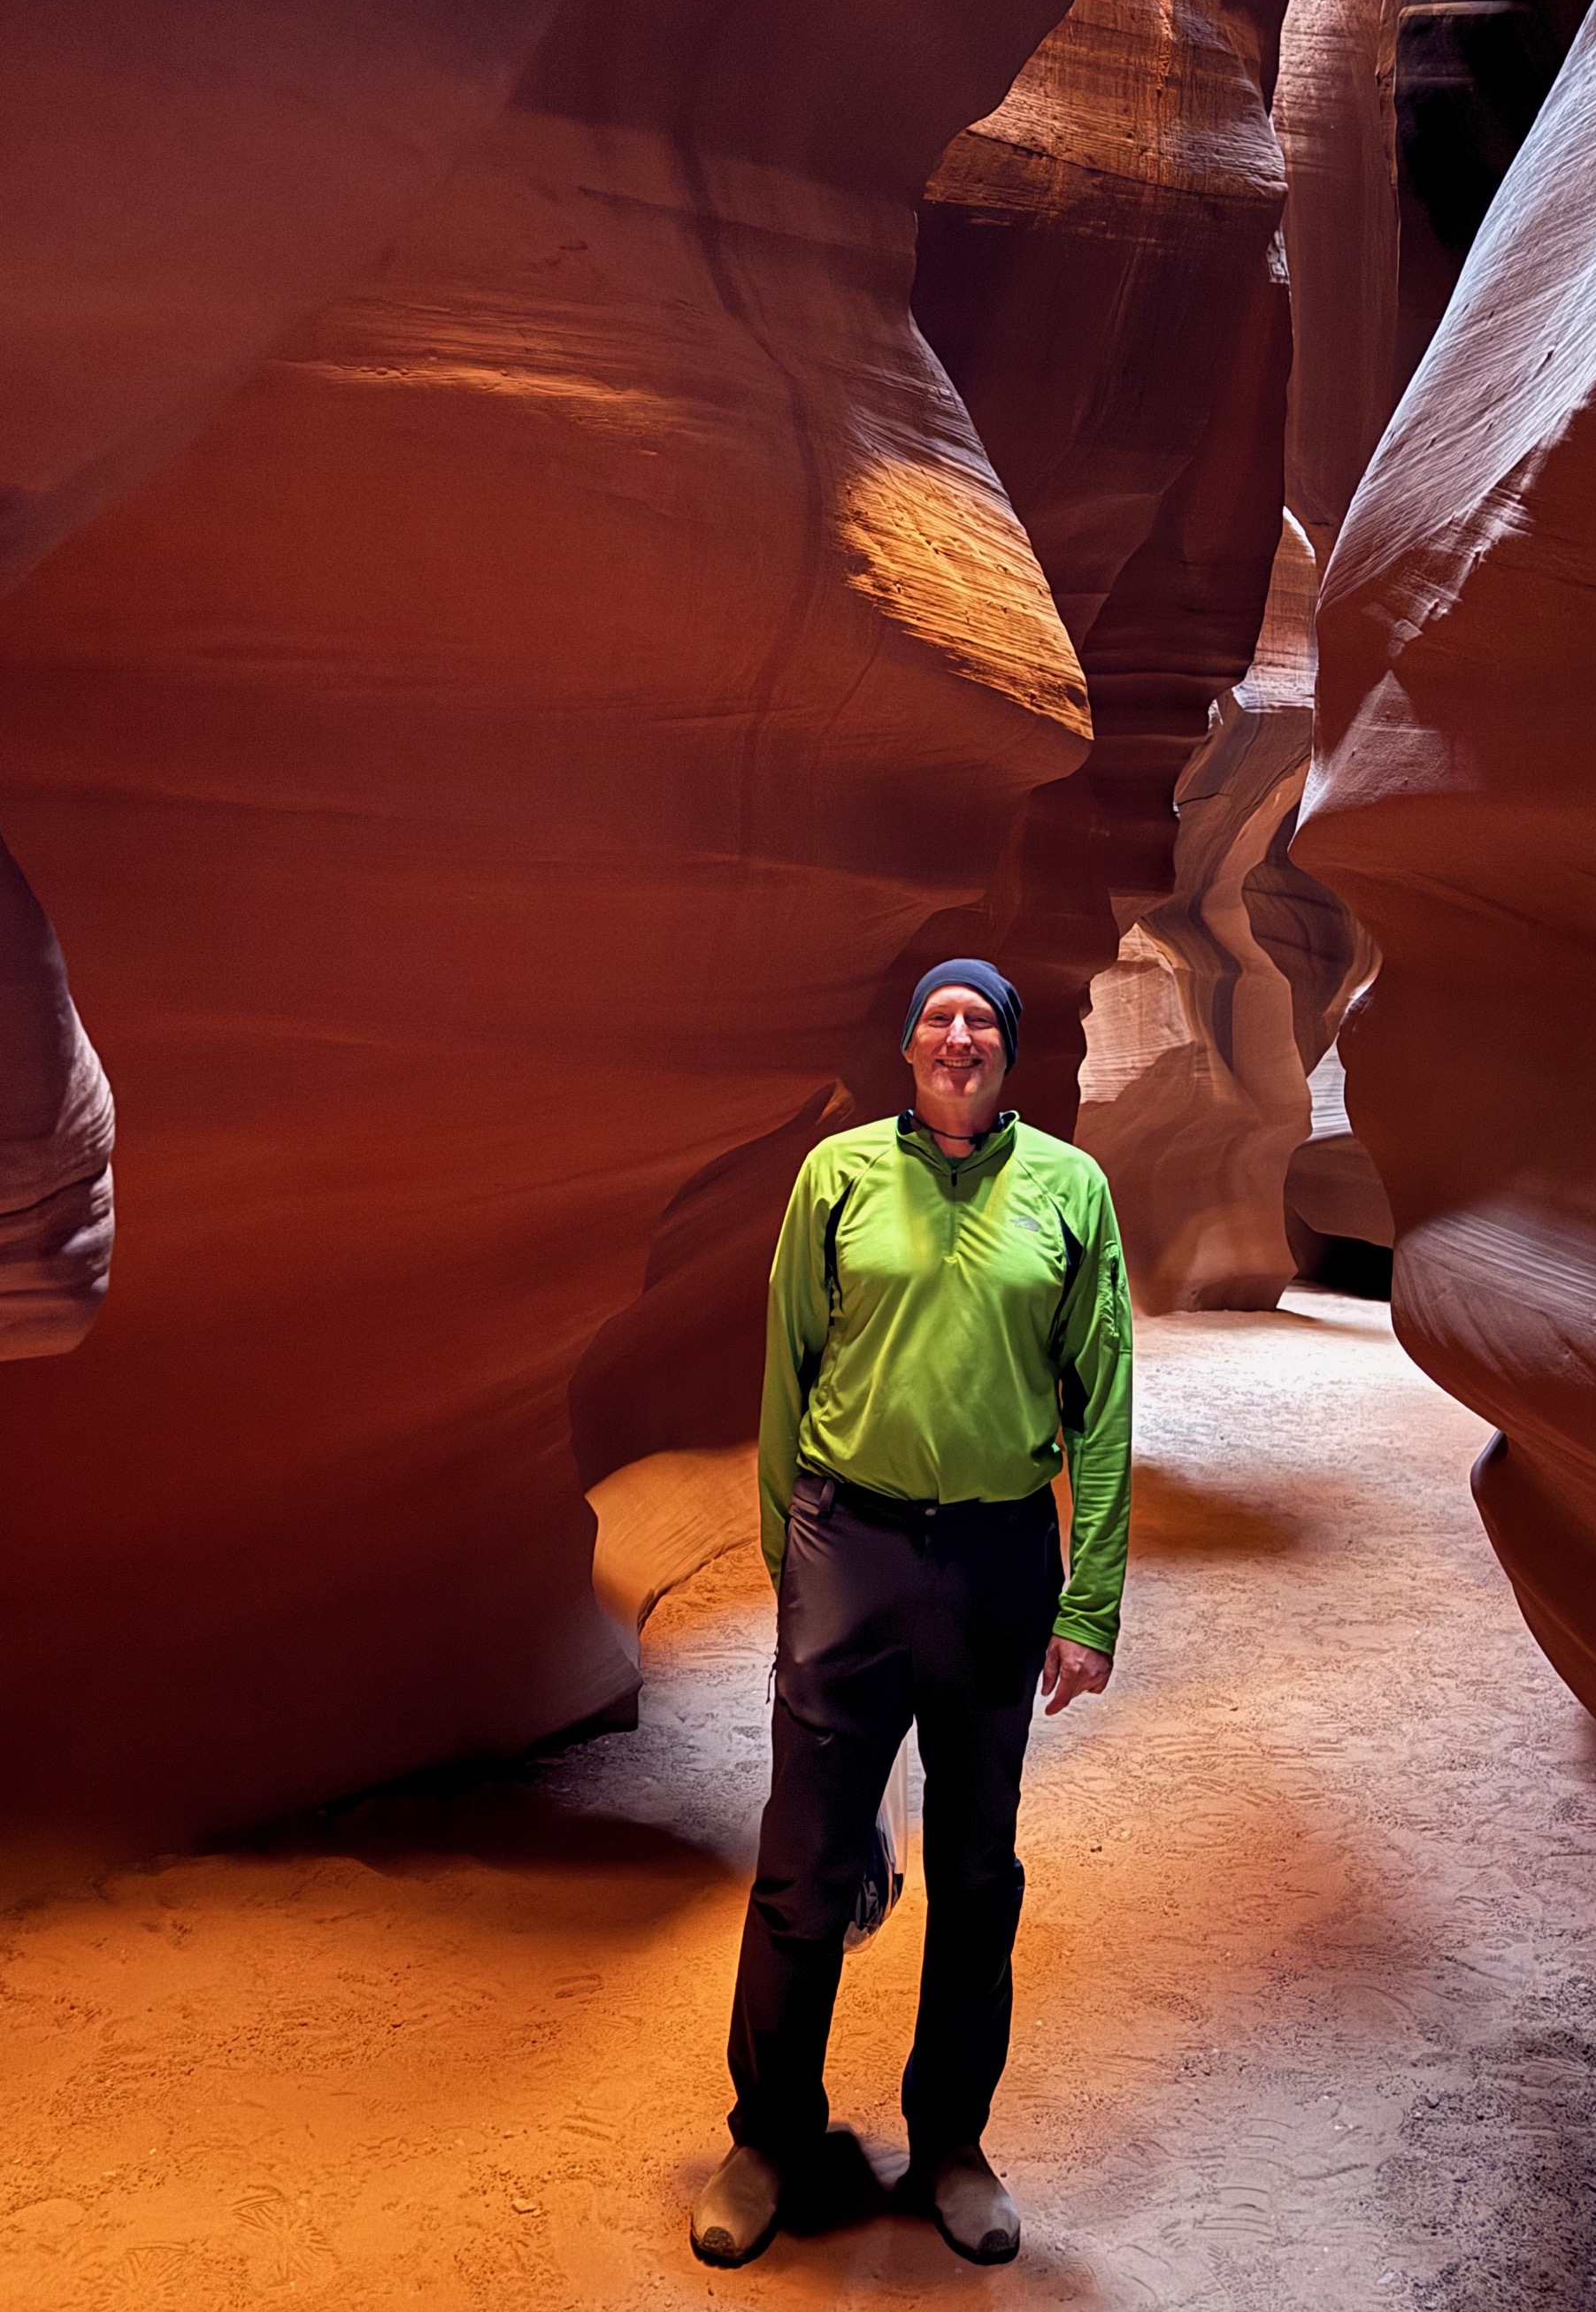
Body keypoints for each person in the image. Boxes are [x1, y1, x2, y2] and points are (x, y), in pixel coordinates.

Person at [691, 957, 1133, 2270]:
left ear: (1008, 1055)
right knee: (804, 1863)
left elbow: (1101, 1400)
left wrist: (1092, 1595)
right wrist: (792, 1556)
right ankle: (770, 2135)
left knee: (981, 1869)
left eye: (981, 1023)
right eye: (939, 1019)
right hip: (853, 1542)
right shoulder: (835, 1178)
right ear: (909, 1047)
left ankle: (951, 2143)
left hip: (997, 1558)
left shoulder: (1071, 1189)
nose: (958, 1038)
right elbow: (787, 1362)